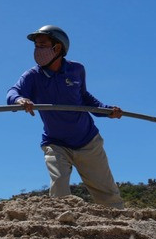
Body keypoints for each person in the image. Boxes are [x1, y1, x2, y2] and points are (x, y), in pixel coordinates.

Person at [7, 25, 125, 208]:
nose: (38, 50)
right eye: (36, 45)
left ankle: (122, 228)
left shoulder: (76, 70)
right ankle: (62, 228)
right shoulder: (33, 76)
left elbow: (85, 98)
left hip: (88, 141)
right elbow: (13, 92)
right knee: (60, 188)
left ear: (58, 47)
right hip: (56, 143)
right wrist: (20, 100)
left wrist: (107, 110)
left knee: (107, 194)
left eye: (43, 45)